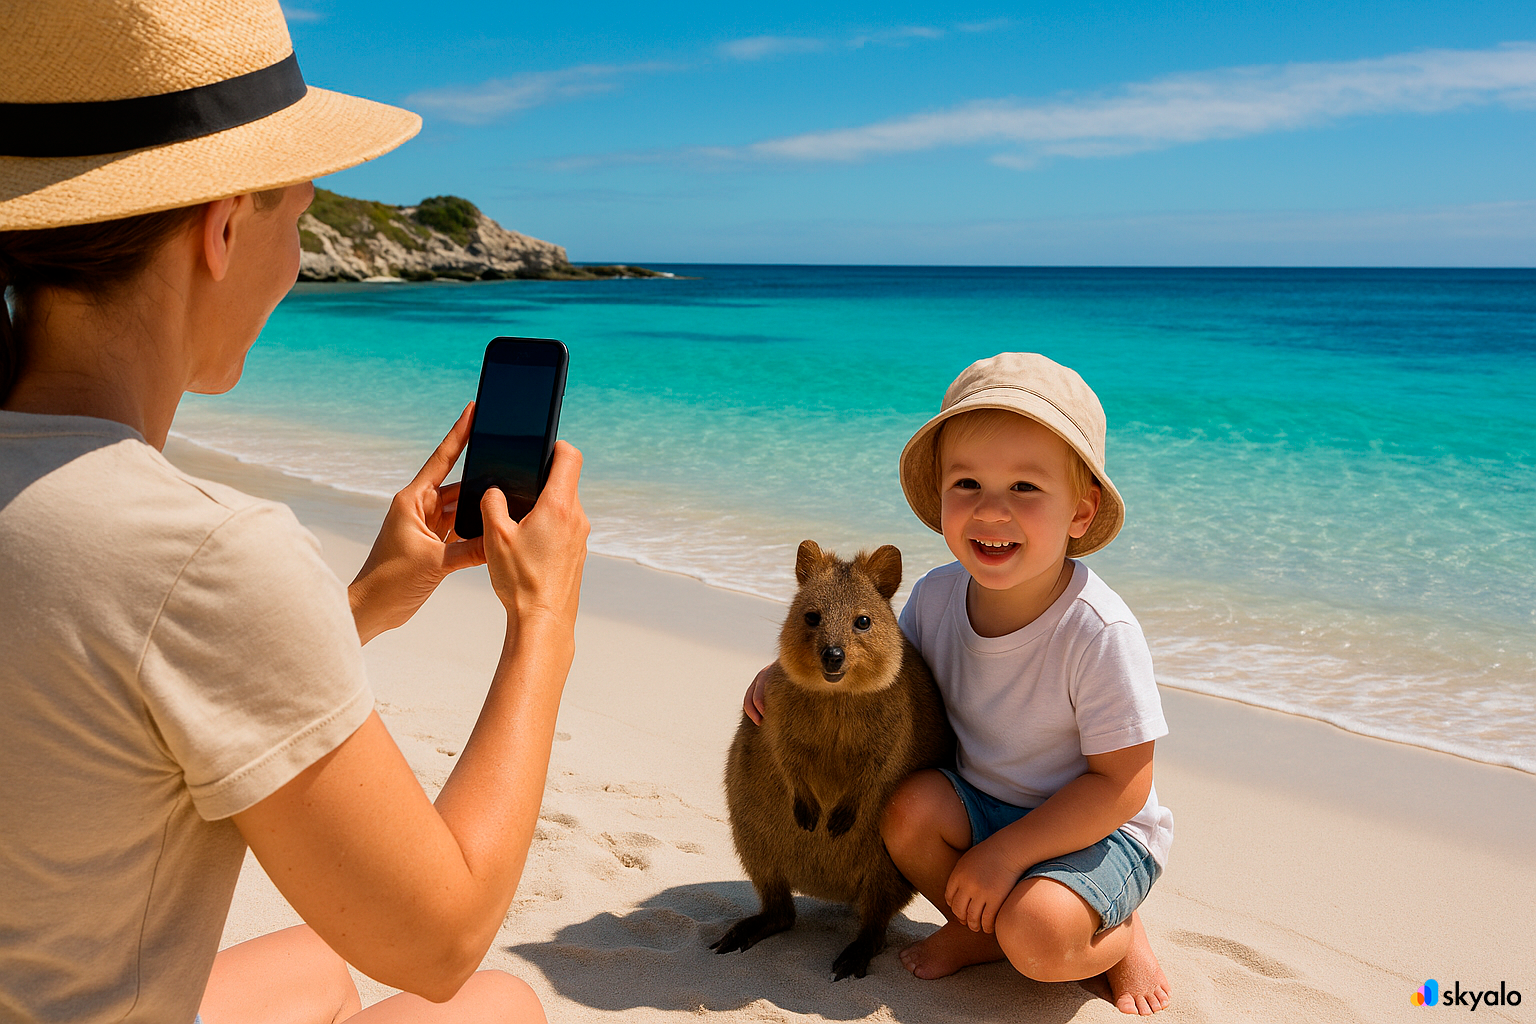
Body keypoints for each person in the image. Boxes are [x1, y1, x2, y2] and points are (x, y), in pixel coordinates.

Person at [0, 2, 587, 1022]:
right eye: (301, 221)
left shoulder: (83, 514)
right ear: (223, 228)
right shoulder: (199, 552)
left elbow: (118, 676)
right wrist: (543, 622)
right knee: (491, 1003)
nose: (295, 262)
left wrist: (357, 603)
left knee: (317, 968)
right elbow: (440, 935)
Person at [745, 353, 1174, 1015]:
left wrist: (1009, 855)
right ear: (939, 497)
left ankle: (1117, 936)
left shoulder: (1096, 629)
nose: (991, 510)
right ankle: (985, 932)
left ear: (1081, 512)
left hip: (1096, 830)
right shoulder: (939, 595)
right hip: (978, 808)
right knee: (905, 813)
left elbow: (1124, 784)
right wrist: (788, 671)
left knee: (1039, 940)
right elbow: (884, 671)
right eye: (967, 484)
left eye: (1026, 489)